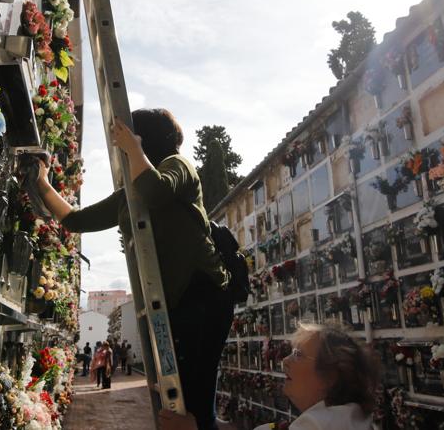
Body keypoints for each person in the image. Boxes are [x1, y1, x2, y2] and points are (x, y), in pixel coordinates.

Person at [31, 109, 233, 429]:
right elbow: (77, 220)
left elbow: (156, 191)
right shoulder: (132, 191)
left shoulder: (177, 165)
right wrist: (41, 182)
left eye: (124, 138)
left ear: (144, 139)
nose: (118, 145)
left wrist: (133, 148)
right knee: (176, 397)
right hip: (174, 298)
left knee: (195, 389)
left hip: (201, 291)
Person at [159, 322, 378, 430]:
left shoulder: (320, 426)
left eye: (298, 355)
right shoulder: (343, 418)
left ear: (331, 375)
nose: (284, 361)